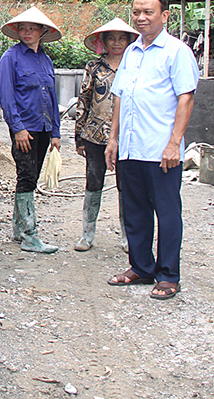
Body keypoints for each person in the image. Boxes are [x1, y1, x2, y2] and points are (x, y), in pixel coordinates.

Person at [106, 0, 198, 300]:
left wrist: (175, 144)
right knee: (134, 211)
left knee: (167, 213)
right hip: (130, 148)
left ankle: (169, 275)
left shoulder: (176, 52)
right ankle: (141, 267)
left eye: (148, 12)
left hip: (161, 150)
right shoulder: (131, 52)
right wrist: (113, 138)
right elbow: (121, 97)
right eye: (137, 12)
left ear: (164, 15)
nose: (141, 18)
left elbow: (186, 98)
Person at [0, 7, 62, 254]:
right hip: (25, 129)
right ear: (16, 31)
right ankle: (29, 235)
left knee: (31, 177)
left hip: (44, 128)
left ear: (42, 31)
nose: (27, 32)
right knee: (26, 177)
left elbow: (52, 98)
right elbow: (7, 97)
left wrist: (55, 131)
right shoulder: (10, 58)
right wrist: (18, 129)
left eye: (32, 28)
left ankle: (18, 228)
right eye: (22, 28)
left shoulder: (45, 60)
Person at [74, 18, 138, 252]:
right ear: (103, 41)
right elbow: (84, 99)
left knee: (127, 186)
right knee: (93, 183)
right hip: (95, 135)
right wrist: (79, 134)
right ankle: (87, 235)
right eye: (112, 38)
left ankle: (128, 236)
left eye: (122, 38)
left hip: (127, 136)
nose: (117, 42)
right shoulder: (94, 67)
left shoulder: (136, 66)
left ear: (130, 41)